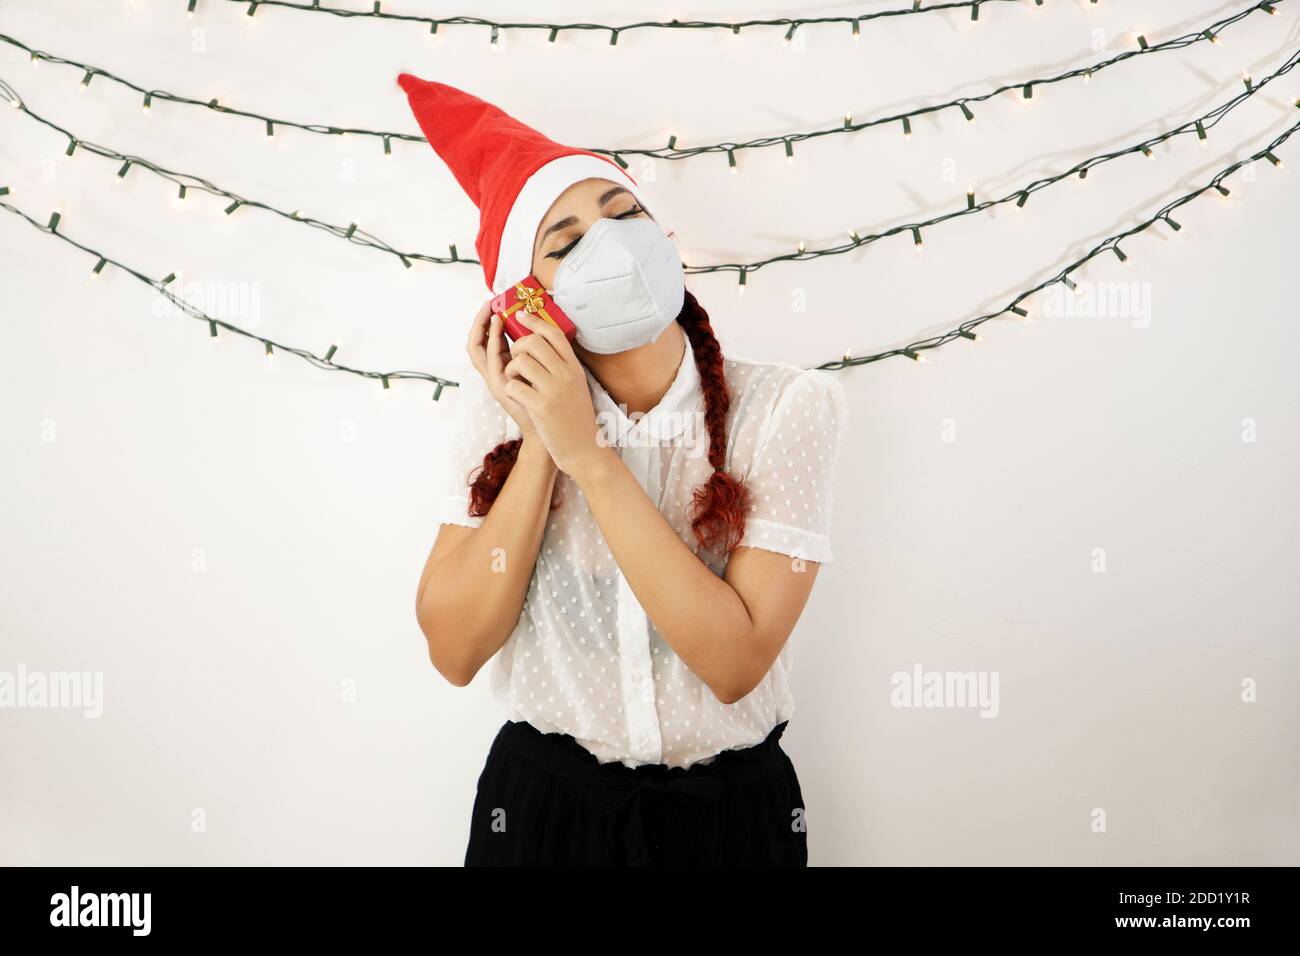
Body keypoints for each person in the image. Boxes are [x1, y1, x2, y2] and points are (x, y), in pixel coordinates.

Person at [401, 74, 849, 866]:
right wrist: (545, 433)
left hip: (728, 823)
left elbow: (734, 662)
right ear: (528, 301)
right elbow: (456, 651)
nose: (610, 244)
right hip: (541, 819)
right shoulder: (498, 412)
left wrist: (592, 461)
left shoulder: (787, 407)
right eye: (567, 241)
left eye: (625, 213)